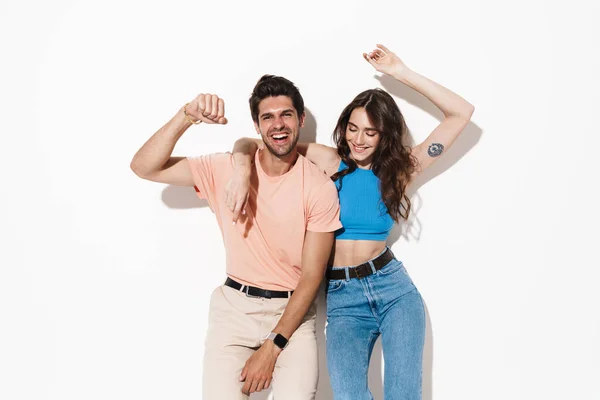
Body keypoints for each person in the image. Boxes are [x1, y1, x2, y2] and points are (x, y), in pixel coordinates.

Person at [227, 44, 475, 399]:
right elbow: (254, 143)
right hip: (343, 300)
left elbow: (461, 114)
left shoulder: (400, 170)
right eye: (353, 129)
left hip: (393, 291)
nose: (358, 140)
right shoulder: (329, 162)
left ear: (385, 135)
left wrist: (401, 73)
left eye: (370, 133)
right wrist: (238, 169)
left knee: (403, 394)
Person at [130, 75, 342, 399]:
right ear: (257, 126)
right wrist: (186, 115)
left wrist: (272, 348)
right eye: (267, 117)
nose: (278, 124)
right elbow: (144, 166)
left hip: (293, 317)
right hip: (234, 311)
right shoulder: (226, 168)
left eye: (286, 114)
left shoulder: (318, 186)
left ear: (300, 119)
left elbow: (312, 278)